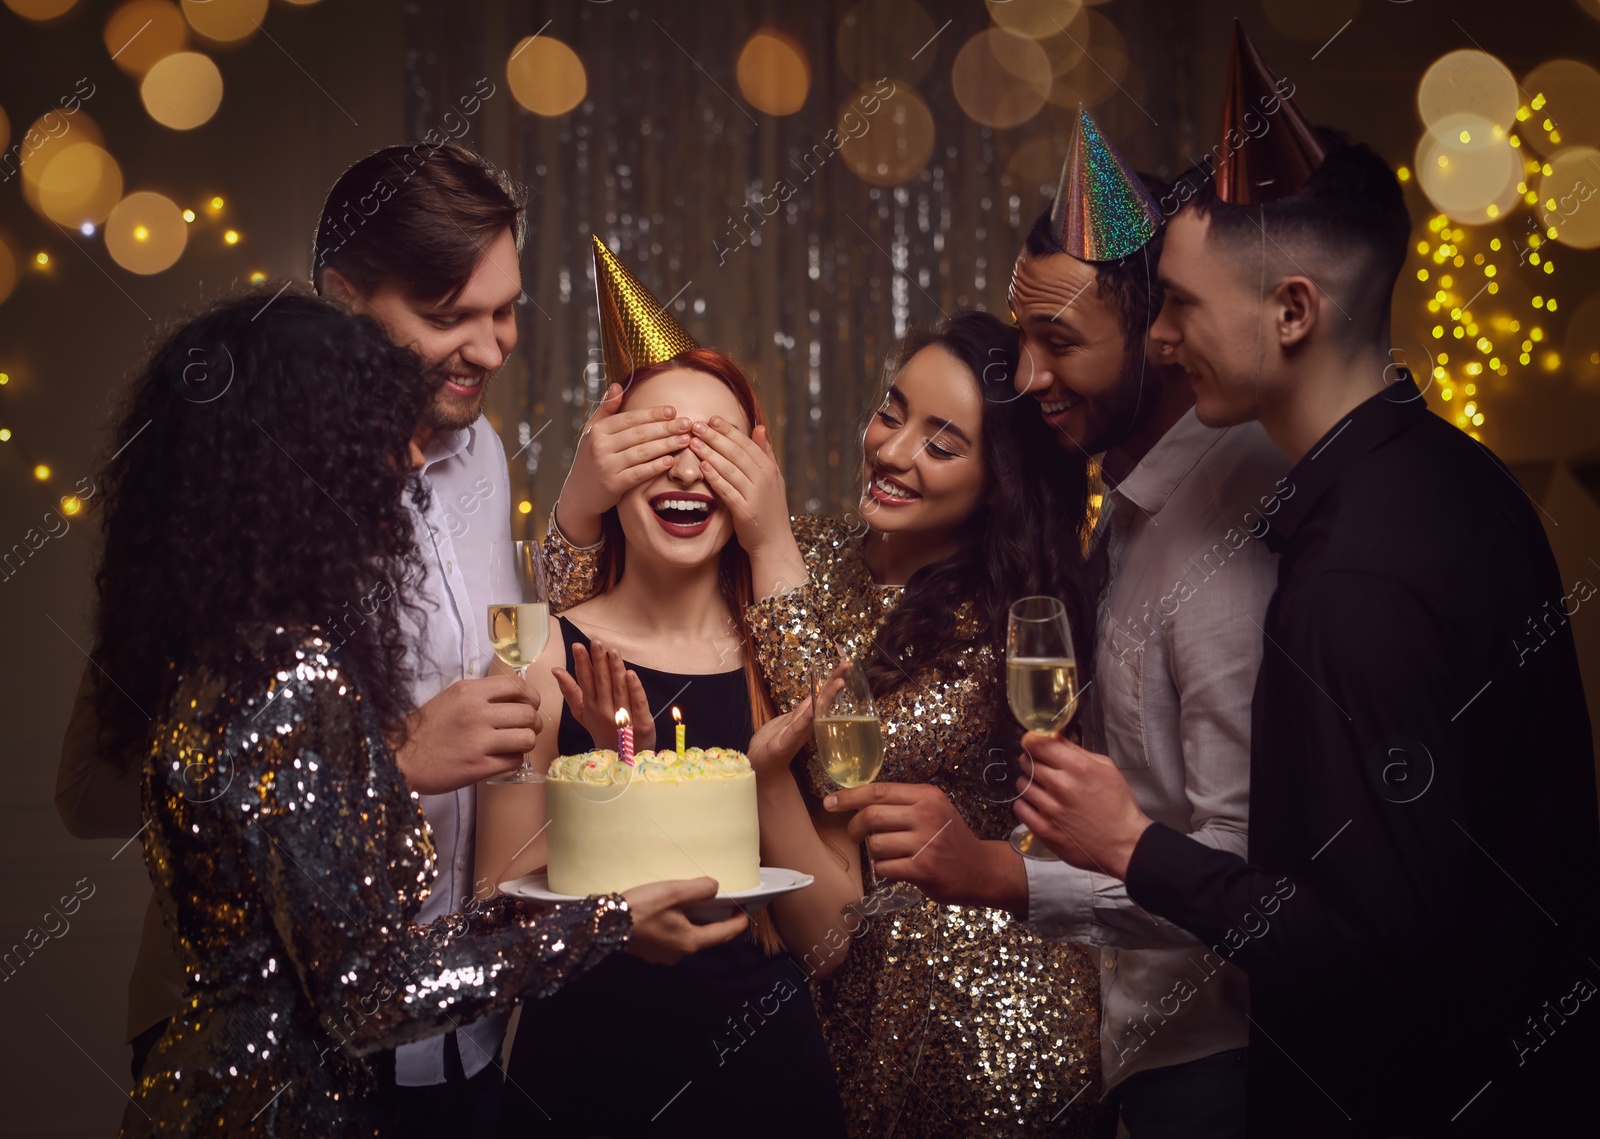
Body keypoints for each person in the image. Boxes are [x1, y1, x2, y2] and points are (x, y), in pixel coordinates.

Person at [1014, 23, 1600, 1138]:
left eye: (1179, 305)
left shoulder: (1348, 581)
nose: (1163, 338)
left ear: (1291, 311)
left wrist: (1132, 847)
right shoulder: (1455, 480)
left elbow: (1368, 955)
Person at [92, 289, 743, 1137]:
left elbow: (370, 942)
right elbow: (372, 995)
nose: (406, 464)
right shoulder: (285, 677)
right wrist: (607, 923)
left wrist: (607, 808)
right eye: (375, 439)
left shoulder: (239, 653)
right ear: (295, 465)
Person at [55, 143, 551, 1124]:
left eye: (506, 310)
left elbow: (509, 665)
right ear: (343, 295)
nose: (492, 349)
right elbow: (95, 788)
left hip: (464, 1032)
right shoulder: (243, 469)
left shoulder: (486, 452)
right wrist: (389, 757)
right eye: (450, 315)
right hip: (281, 1055)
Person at [825, 106, 1282, 1138]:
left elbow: (1249, 878)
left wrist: (999, 870)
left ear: (1160, 333)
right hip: (1127, 1045)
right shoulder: (1118, 520)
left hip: (1207, 1058)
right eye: (1022, 332)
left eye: (1058, 340)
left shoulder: (1222, 539)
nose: (1027, 379)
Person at [550, 293, 1109, 1129]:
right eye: (891, 413)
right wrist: (580, 500)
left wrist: (770, 543)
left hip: (974, 1020)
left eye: (941, 442)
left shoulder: (990, 628)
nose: (892, 450)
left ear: (1000, 486)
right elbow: (606, 626)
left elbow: (839, 753)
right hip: (829, 994)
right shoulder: (812, 553)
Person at [477, 239, 846, 1138]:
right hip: (586, 1081)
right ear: (609, 463)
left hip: (769, 1085)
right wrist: (608, 878)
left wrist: (758, 777)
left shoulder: (790, 667)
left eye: (715, 447)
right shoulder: (538, 658)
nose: (686, 469)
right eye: (656, 443)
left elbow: (835, 940)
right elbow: (491, 913)